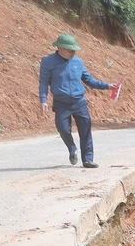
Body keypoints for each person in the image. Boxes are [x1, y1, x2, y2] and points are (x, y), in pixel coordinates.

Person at [38, 34, 116, 168]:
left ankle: (88, 159)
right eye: (70, 50)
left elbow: (89, 80)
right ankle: (72, 148)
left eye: (74, 50)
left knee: (85, 129)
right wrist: (43, 99)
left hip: (79, 101)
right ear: (60, 48)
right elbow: (44, 82)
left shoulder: (78, 62)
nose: (73, 53)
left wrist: (107, 86)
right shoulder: (48, 61)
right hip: (61, 103)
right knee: (63, 129)